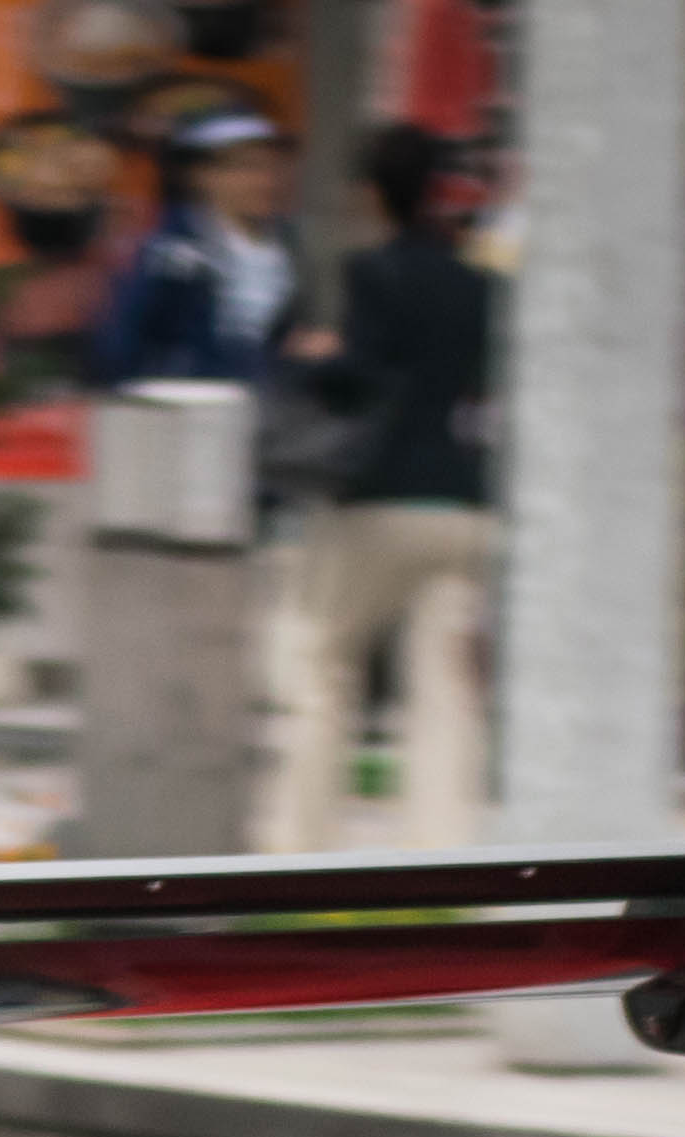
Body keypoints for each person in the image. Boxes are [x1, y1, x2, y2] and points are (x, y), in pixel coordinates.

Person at [264, 124, 496, 850]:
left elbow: (363, 374)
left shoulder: (372, 271)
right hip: (461, 503)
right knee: (444, 687)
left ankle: (297, 846)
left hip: (378, 497)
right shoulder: (481, 285)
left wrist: (311, 355)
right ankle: (443, 852)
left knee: (319, 663)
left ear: (370, 194)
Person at [90, 110, 300, 393]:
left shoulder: (287, 246)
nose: (264, 180)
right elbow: (121, 341)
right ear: (201, 175)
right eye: (245, 168)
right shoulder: (169, 250)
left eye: (271, 167)